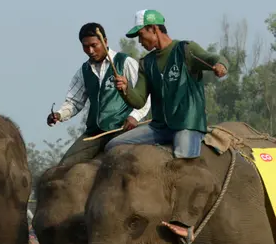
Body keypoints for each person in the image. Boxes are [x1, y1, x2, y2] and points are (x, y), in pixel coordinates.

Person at [105, 9, 229, 159]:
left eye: (141, 35)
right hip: (159, 127)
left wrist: (221, 66)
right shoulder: (146, 63)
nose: (139, 41)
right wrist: (125, 89)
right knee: (113, 146)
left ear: (154, 29)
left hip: (186, 124)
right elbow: (138, 101)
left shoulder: (185, 49)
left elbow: (214, 58)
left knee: (183, 160)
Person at [47, 22, 150, 169]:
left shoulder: (125, 62)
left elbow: (144, 95)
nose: (90, 50)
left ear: (105, 41)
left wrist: (135, 116)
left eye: (94, 45)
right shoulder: (83, 71)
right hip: (94, 133)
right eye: (85, 46)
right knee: (63, 168)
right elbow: (74, 102)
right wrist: (59, 114)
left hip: (121, 130)